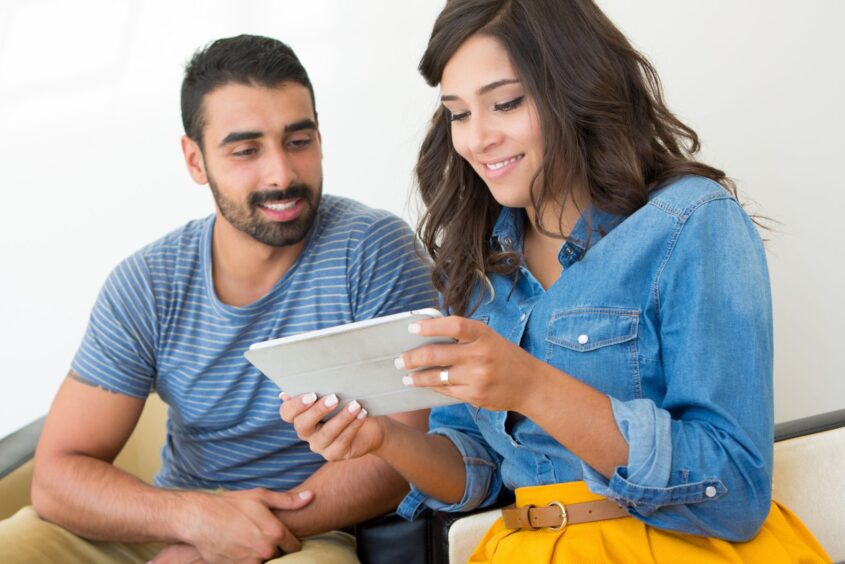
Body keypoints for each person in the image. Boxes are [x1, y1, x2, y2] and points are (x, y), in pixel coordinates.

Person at [280, 1, 831, 562]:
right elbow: (478, 473)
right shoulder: (478, 262)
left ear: (576, 86)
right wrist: (383, 438)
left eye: (506, 103)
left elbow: (734, 490)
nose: (476, 139)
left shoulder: (690, 222)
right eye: (458, 114)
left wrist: (531, 386)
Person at [0, 34, 434, 564]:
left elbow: (404, 457)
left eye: (298, 140)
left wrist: (233, 539)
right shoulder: (148, 281)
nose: (281, 174)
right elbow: (57, 475)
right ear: (196, 160)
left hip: (307, 529)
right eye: (246, 151)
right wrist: (196, 522)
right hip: (166, 519)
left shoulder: (373, 250)